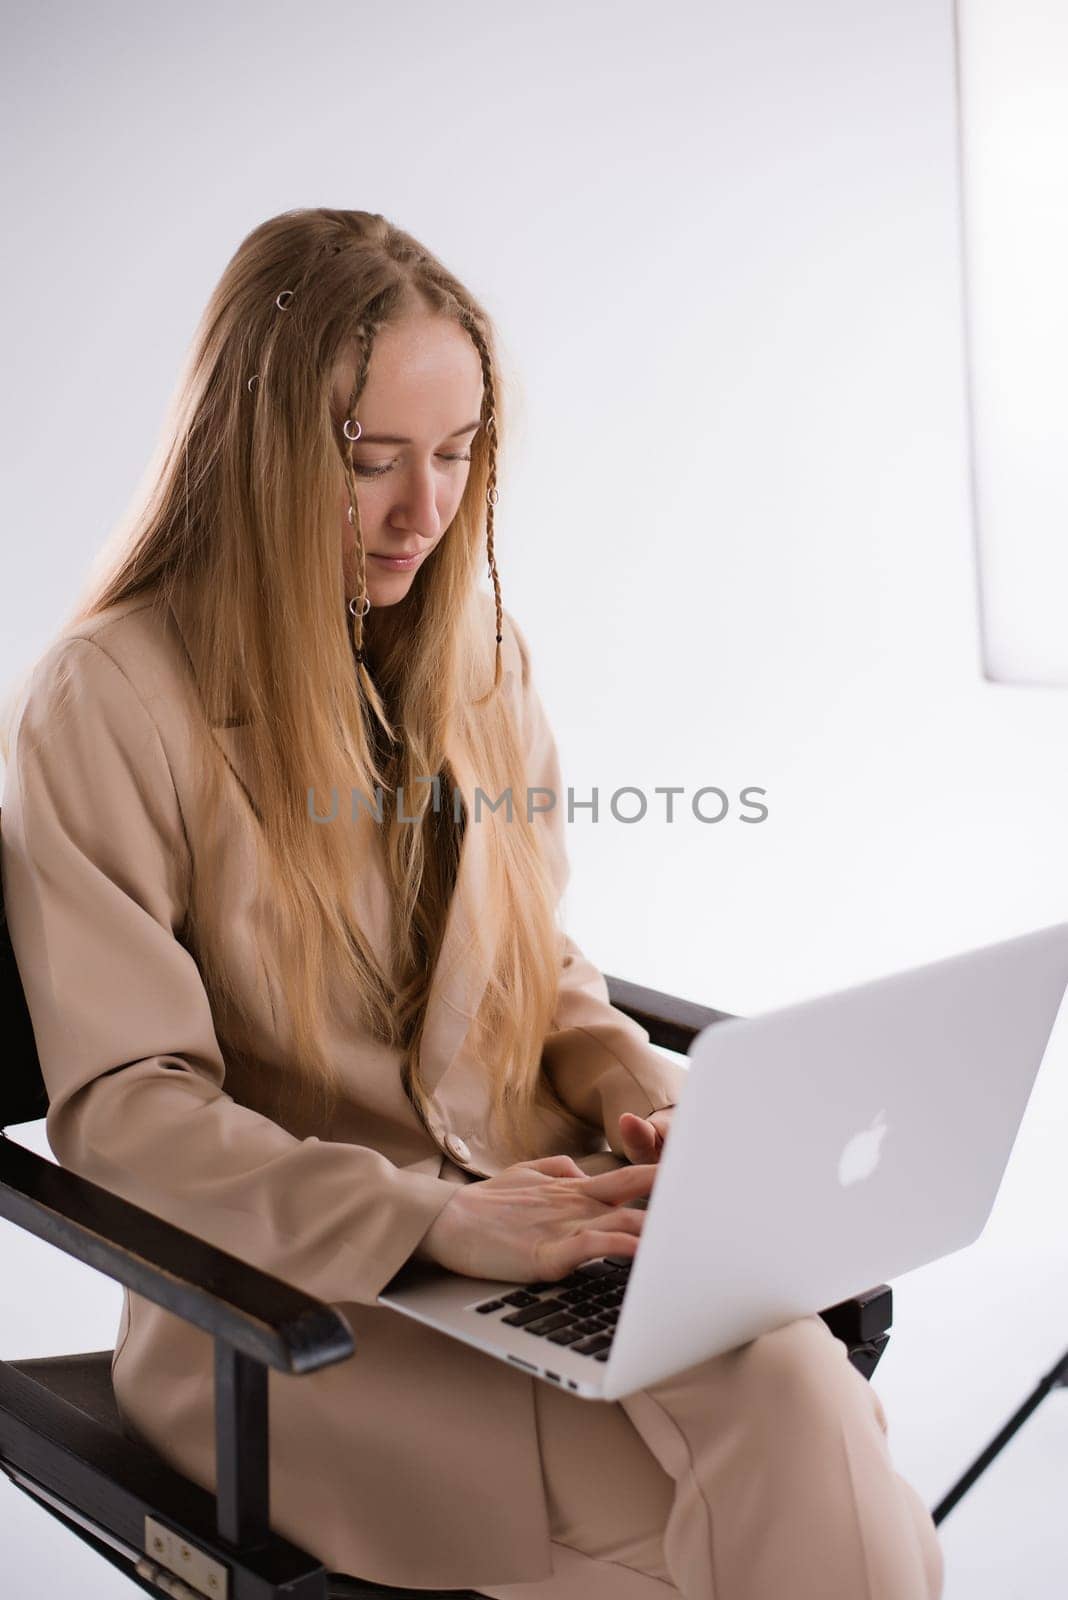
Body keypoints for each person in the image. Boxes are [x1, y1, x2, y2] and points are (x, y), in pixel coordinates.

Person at [0, 208, 943, 1600]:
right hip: (291, 1316)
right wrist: (430, 1223)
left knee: (797, 1399)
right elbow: (128, 1109)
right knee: (727, 1531)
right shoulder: (111, 699)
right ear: (252, 454)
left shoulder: (479, 652)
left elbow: (539, 967)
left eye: (453, 460)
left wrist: (645, 1100)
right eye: (369, 462)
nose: (421, 514)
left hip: (548, 1242)